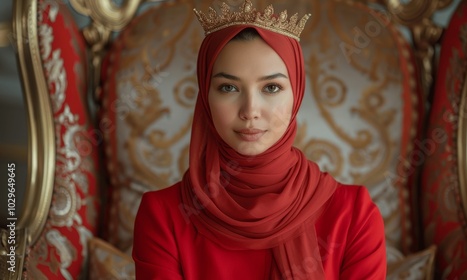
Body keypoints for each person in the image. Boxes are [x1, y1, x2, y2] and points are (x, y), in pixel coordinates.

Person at [132, 0, 386, 279]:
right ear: (206, 96)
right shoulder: (163, 215)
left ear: (296, 93)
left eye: (271, 87)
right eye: (228, 87)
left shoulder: (354, 215)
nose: (250, 111)